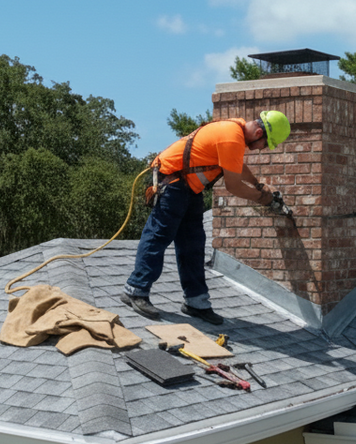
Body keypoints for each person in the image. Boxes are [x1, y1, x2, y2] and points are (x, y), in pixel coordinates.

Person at [122, 110, 290, 324]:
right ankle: (135, 290)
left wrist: (257, 184)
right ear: (258, 132)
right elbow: (234, 186)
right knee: (158, 236)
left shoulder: (235, 130)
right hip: (173, 182)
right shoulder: (232, 136)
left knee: (193, 244)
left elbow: (236, 165)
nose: (260, 149)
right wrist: (262, 198)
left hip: (188, 187)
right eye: (265, 144)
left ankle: (196, 302)